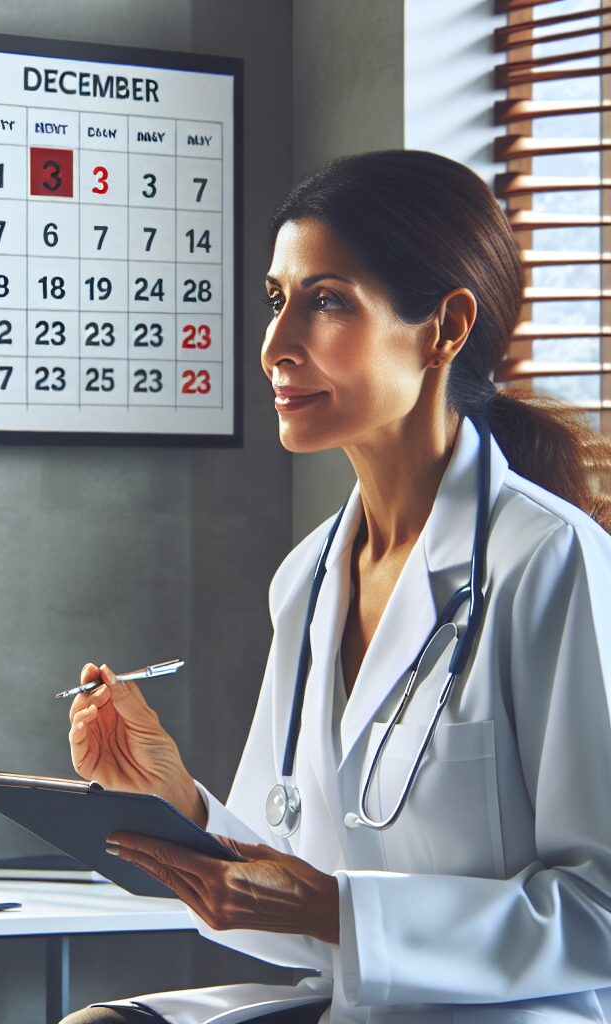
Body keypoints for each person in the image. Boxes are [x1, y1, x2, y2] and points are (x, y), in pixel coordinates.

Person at [60, 150, 611, 1023]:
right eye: (278, 301)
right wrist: (177, 801)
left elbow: (602, 915)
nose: (276, 347)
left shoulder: (553, 563)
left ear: (445, 326)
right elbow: (292, 890)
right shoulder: (308, 579)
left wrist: (339, 910)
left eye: (326, 302)